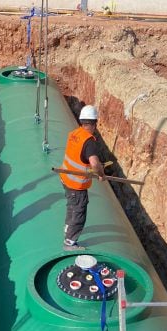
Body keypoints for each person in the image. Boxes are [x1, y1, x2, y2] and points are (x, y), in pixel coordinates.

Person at [59, 105, 105, 251]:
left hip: (66, 178)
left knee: (71, 207)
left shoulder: (74, 133)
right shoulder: (89, 141)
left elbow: (78, 157)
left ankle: (67, 229)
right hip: (76, 185)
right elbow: (94, 163)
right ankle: (70, 242)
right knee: (79, 212)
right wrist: (100, 173)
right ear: (94, 123)